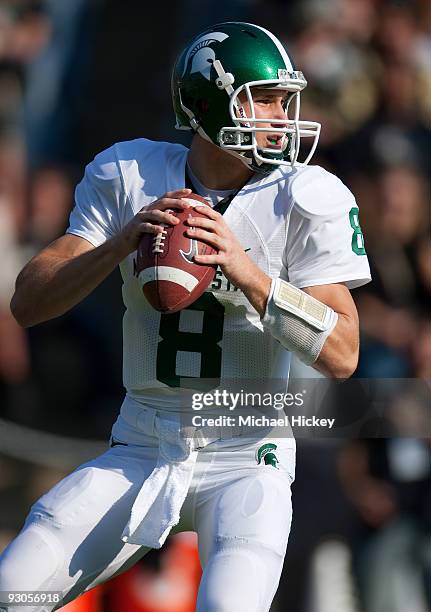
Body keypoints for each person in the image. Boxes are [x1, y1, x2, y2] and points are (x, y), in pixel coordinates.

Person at [0, 22, 371, 612]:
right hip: (144, 440)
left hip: (249, 451)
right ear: (211, 102)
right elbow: (28, 302)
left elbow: (344, 354)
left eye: (285, 100)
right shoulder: (130, 176)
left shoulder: (306, 195)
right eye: (265, 99)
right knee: (12, 587)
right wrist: (121, 242)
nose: (281, 115)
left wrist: (248, 276)